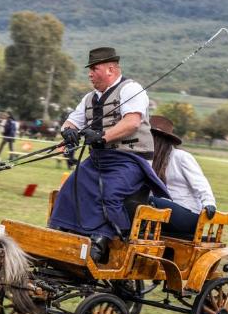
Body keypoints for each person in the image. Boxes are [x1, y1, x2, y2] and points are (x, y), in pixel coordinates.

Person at [49, 47, 169, 263]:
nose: (90, 73)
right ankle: (61, 230)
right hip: (99, 159)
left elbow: (131, 122)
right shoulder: (89, 98)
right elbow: (72, 120)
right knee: (70, 186)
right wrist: (67, 131)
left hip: (131, 159)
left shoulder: (131, 89)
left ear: (111, 69)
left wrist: (102, 137)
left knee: (109, 192)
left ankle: (103, 239)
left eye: (94, 68)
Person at [147, 116, 217, 239]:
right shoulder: (150, 161)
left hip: (188, 215)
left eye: (150, 136)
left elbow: (200, 183)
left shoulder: (181, 157)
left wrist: (209, 203)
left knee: (149, 201)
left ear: (159, 139)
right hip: (165, 214)